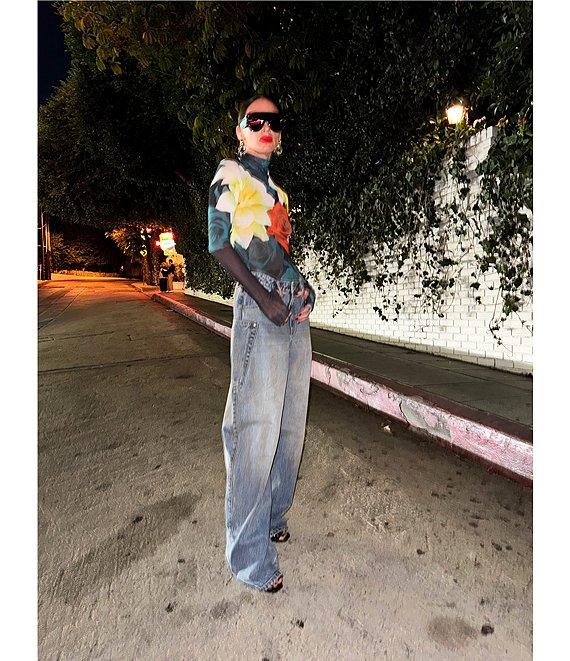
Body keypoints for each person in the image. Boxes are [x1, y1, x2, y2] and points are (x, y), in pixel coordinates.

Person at [208, 95, 316, 593]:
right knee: (254, 429)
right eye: (256, 120)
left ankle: (273, 515)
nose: (265, 127)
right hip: (259, 307)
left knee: (290, 425)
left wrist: (302, 287)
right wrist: (264, 299)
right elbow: (219, 244)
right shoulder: (229, 176)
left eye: (273, 121)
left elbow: (281, 256)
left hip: (289, 307)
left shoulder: (279, 193)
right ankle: (249, 557)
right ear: (240, 131)